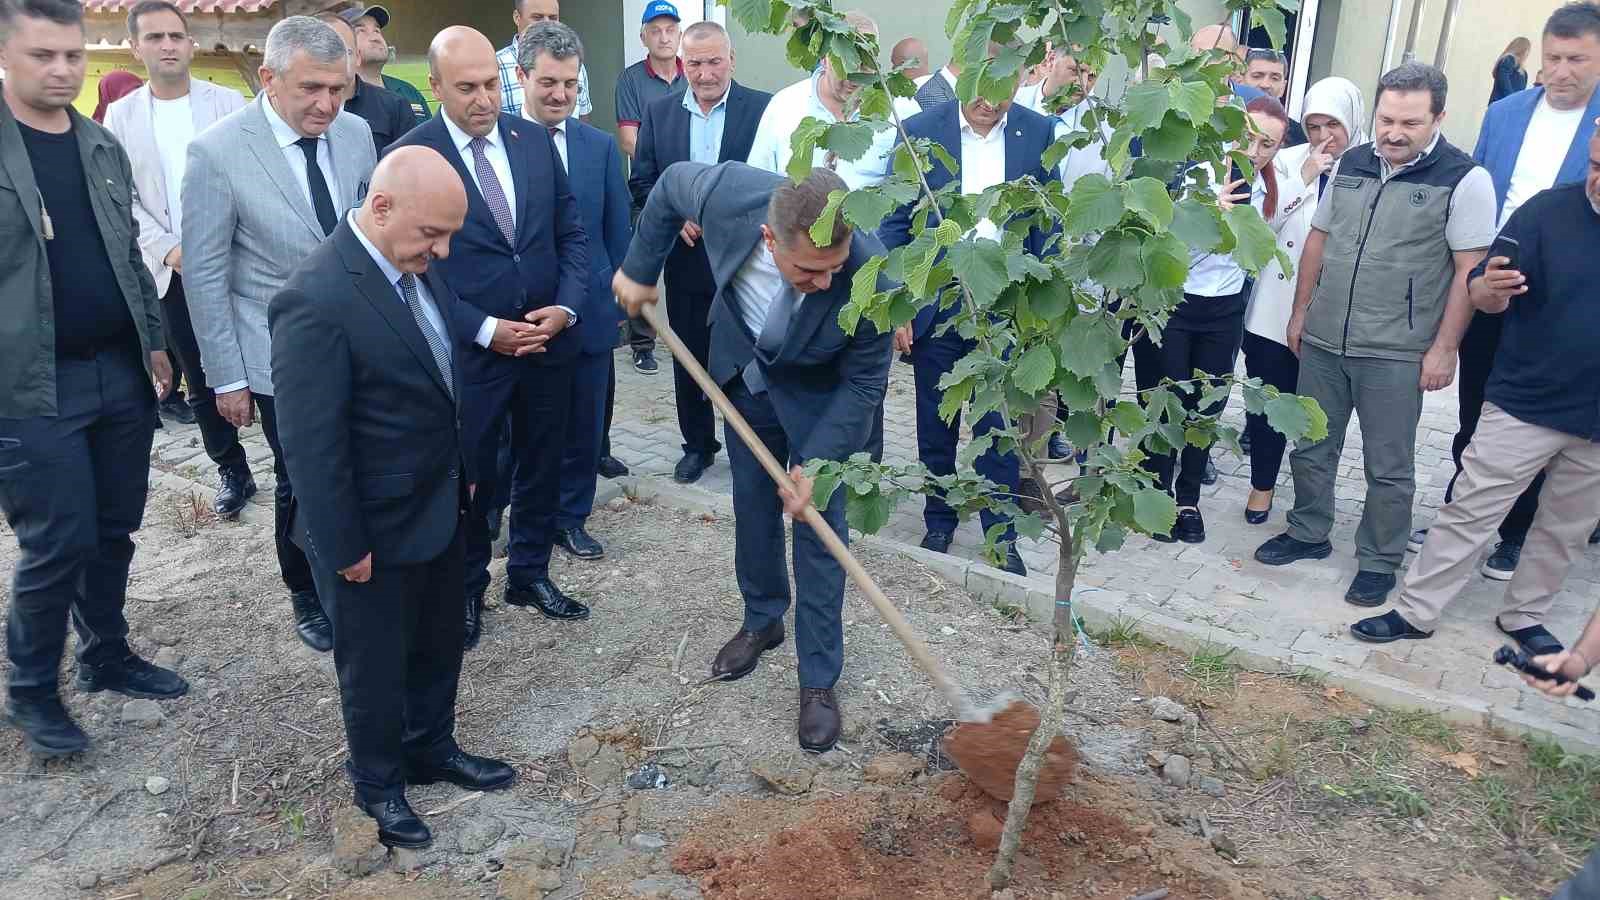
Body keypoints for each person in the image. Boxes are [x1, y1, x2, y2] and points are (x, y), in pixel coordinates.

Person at [269, 146, 515, 850]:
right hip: (370, 528)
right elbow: (311, 447)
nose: (441, 252)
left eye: (448, 237)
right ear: (381, 208)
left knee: (439, 641)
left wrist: (465, 469)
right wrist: (342, 545)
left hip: (440, 505)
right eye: (431, 235)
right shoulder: (315, 298)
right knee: (374, 663)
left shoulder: (418, 263)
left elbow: (443, 376)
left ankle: (431, 747)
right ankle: (378, 780)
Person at [613, 163, 893, 753]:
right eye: (809, 271)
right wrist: (640, 271)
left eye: (833, 270)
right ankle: (763, 618)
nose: (824, 281)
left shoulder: (871, 273)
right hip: (745, 375)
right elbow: (664, 191)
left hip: (823, 393)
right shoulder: (726, 193)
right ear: (771, 240)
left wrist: (816, 464)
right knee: (753, 505)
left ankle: (818, 679)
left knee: (818, 527)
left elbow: (866, 386)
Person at [0, 0, 184, 757]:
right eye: (43, 55)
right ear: (7, 54)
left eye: (72, 55)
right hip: (30, 386)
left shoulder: (100, 144)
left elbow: (128, 253)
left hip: (119, 372)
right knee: (58, 540)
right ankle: (31, 692)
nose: (61, 70)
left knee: (114, 528)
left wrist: (156, 340)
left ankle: (105, 653)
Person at [1253, 63, 1498, 607]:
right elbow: (1319, 238)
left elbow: (1468, 272)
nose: (1394, 132)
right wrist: (1300, 312)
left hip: (1396, 350)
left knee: (1388, 465)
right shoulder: (1354, 163)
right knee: (1312, 444)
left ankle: (1381, 559)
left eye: (1410, 122)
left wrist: (1444, 348)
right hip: (1324, 337)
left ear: (1438, 117)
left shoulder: (1463, 178)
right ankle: (1308, 530)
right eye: (1387, 118)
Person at [1351, 135, 1600, 651]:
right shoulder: (1547, 212)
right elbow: (1481, 289)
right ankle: (1417, 611)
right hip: (1526, 402)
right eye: (1597, 164)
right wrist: (1490, 290)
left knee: (1566, 529)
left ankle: (1524, 615)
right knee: (1470, 510)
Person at [389, 26, 589, 649]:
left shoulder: (532, 142)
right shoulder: (412, 157)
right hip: (470, 355)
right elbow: (408, 266)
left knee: (542, 463)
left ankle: (528, 574)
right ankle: (469, 589)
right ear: (436, 87)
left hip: (547, 341)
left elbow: (572, 236)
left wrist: (567, 309)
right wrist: (482, 329)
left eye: (490, 86)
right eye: (466, 88)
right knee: (473, 476)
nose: (483, 100)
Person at [183, 15, 377, 653]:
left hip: (356, 344)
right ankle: (305, 589)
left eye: (338, 88)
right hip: (274, 357)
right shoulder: (217, 151)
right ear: (268, 79)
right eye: (310, 90)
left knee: (358, 464)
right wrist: (227, 376)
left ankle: (355, 564)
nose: (327, 104)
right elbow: (206, 272)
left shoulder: (354, 135)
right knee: (300, 478)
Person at [1423, 1, 1600, 580]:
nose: (1562, 70)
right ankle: (1464, 509)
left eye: (1577, 58)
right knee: (1479, 408)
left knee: (1544, 420)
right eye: (1553, 57)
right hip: (1497, 280)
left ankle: (1515, 532)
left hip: (1569, 296)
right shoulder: (1504, 114)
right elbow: (1478, 191)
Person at [880, 90, 1064, 575]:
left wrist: (1039, 302)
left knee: (999, 427)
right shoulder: (920, 131)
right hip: (937, 303)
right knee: (935, 421)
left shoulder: (1037, 131)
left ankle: (1002, 534)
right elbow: (895, 222)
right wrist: (900, 301)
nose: (990, 102)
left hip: (1004, 307)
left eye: (1001, 90)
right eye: (981, 89)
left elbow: (1049, 222)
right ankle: (938, 517)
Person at [105, 0, 254, 520]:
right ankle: (231, 466)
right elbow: (119, 197)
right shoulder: (121, 118)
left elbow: (251, 177)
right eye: (155, 38)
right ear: (135, 47)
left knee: (259, 361)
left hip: (237, 262)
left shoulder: (228, 104)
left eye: (176, 36)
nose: (167, 45)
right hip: (172, 268)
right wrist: (168, 247)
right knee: (199, 373)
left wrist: (220, 246)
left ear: (191, 43)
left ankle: (288, 457)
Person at [1135, 96, 1288, 544]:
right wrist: (1208, 213)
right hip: (1175, 305)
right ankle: (1156, 491)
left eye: (1268, 145)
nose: (1256, 151)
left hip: (1223, 311)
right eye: (1250, 137)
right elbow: (1162, 240)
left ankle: (1188, 499)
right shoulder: (1198, 174)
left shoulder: (1264, 191)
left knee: (1207, 407)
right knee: (1166, 400)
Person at [630, 21, 772, 486]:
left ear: (732, 58)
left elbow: (773, 183)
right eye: (695, 63)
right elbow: (644, 182)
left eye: (714, 61)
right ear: (680, 63)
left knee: (746, 359)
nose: (705, 73)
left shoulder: (762, 109)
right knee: (690, 354)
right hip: (688, 261)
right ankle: (698, 446)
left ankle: (750, 443)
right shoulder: (660, 113)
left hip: (746, 263)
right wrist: (677, 215)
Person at [512, 21, 629, 561]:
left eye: (571, 84)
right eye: (549, 82)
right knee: (527, 429)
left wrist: (613, 299)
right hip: (524, 318)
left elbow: (614, 232)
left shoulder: (600, 147)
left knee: (585, 426)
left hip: (588, 315)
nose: (560, 94)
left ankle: (571, 517)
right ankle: (520, 514)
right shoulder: (501, 146)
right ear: (523, 77)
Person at [1241, 77, 1365, 526]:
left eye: (1333, 124)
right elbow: (1258, 230)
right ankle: (1262, 485)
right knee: (1268, 404)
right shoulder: (1287, 161)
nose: (1323, 135)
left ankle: (1312, 500)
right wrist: (1305, 177)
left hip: (1331, 312)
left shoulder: (1369, 167)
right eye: (1313, 125)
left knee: (1319, 413)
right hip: (1274, 307)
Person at [747, 11, 920, 191]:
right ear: (824, 58)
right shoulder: (784, 106)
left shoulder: (902, 112)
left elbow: (915, 187)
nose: (853, 79)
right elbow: (757, 184)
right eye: (844, 65)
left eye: (864, 65)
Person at [614, 0, 687, 376]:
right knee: (644, 265)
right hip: (651, 188)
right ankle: (643, 344)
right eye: (655, 30)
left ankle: (689, 340)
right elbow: (630, 140)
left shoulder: (693, 74)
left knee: (694, 268)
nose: (663, 37)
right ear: (644, 36)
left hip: (692, 192)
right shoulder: (631, 79)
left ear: (679, 34)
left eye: (670, 30)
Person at [319, 11, 415, 156]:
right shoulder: (298, 104)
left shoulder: (396, 105)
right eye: (325, 52)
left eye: (345, 52)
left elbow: (409, 166)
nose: (335, 60)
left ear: (357, 57)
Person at [497, 0, 591, 123]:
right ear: (517, 17)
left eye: (553, 18)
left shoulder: (574, 62)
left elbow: (583, 119)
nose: (547, 25)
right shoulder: (496, 66)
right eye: (537, 18)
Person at [347, 4, 431, 126]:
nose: (375, 37)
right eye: (361, 31)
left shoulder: (408, 91)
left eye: (377, 30)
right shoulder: (340, 98)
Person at [1240, 48, 1307, 146]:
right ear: (1240, 81)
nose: (1265, 84)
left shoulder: (1298, 137)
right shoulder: (1222, 121)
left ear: (1283, 87)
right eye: (1257, 76)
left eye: (1275, 78)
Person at [1492, 36, 1532, 104]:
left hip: (1509, 105)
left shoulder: (1522, 70)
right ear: (1523, 50)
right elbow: (1504, 82)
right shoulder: (1509, 60)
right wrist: (1513, 100)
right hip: (1502, 104)